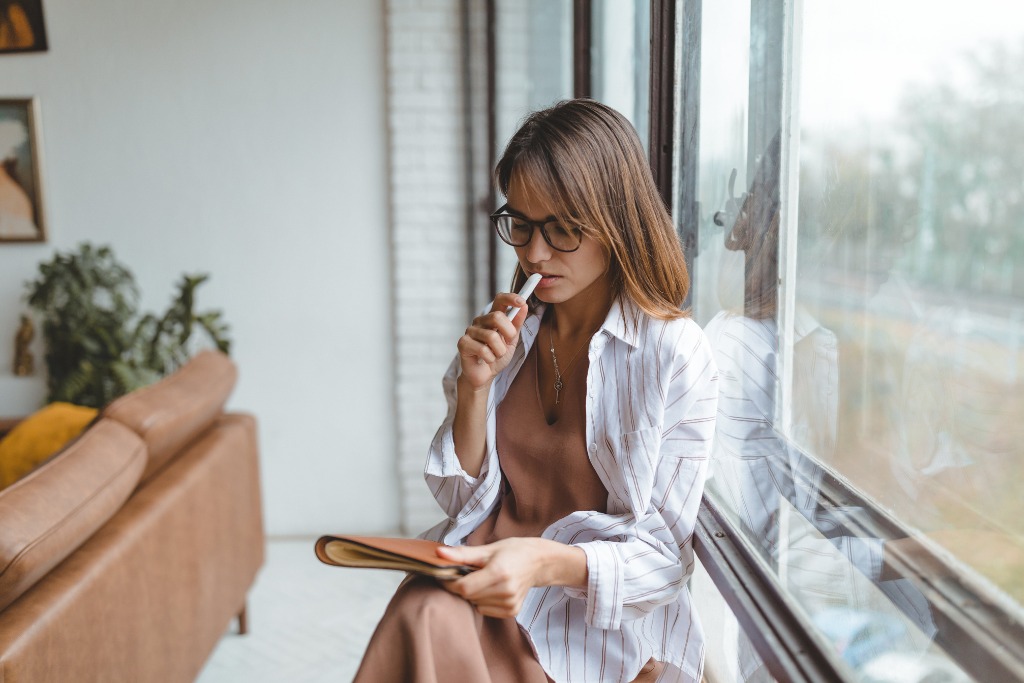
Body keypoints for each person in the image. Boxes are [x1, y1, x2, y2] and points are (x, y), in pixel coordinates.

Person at [354, 99, 719, 683]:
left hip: (583, 628)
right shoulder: (510, 332)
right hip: (479, 593)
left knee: (425, 613)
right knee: (423, 606)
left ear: (617, 222)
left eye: (563, 230)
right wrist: (474, 390)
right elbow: (458, 502)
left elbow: (664, 559)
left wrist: (541, 561)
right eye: (520, 223)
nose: (533, 252)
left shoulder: (672, 353)